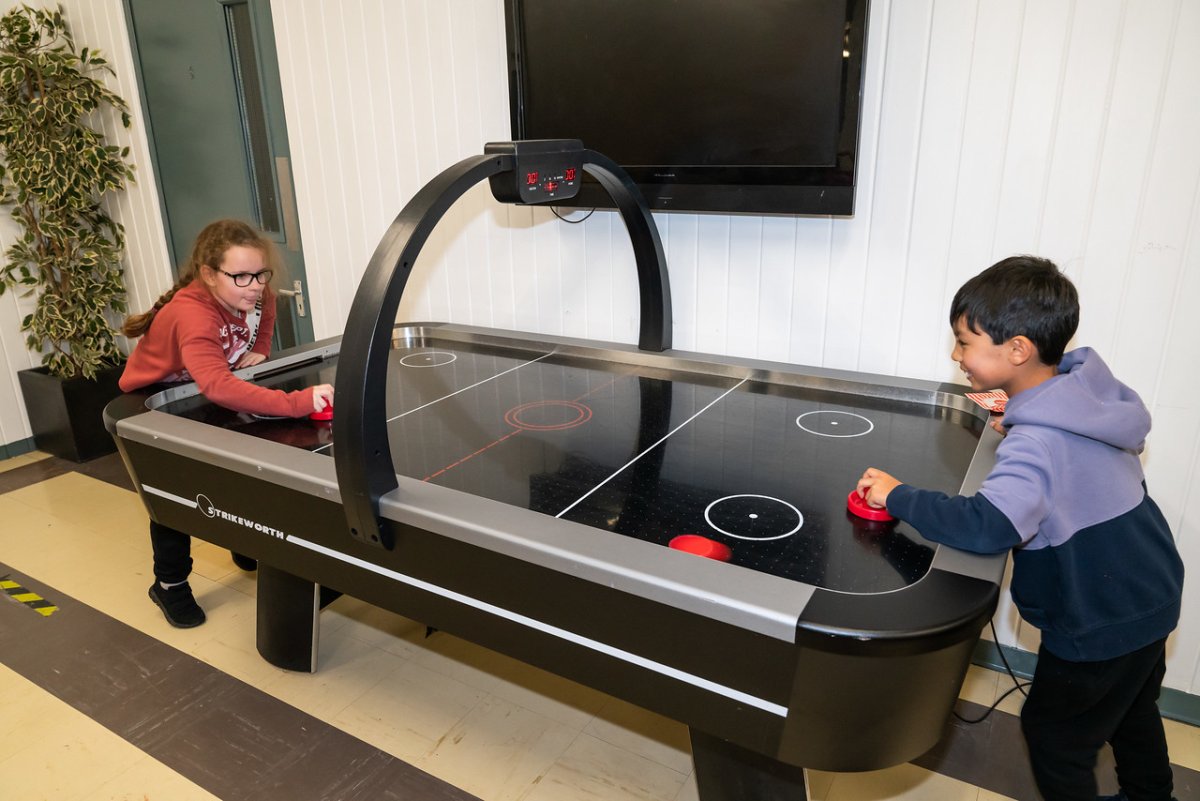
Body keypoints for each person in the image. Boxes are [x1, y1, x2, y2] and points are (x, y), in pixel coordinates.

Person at [856, 255, 1183, 801]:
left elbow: (989, 525)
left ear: (1017, 350)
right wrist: (1022, 412)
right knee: (1131, 710)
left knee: (1055, 737)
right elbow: (1063, 448)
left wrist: (898, 494)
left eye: (964, 342)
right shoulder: (1085, 393)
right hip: (1150, 591)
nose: (956, 355)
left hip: (1097, 620)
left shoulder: (1038, 439)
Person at [120, 219, 334, 628]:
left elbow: (268, 306)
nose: (254, 285)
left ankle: (242, 541)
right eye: (240, 276)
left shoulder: (254, 290)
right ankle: (169, 585)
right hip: (153, 400)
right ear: (208, 275)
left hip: (202, 389)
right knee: (173, 495)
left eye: (260, 274)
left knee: (239, 467)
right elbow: (217, 385)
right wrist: (297, 401)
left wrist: (263, 346)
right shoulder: (192, 314)